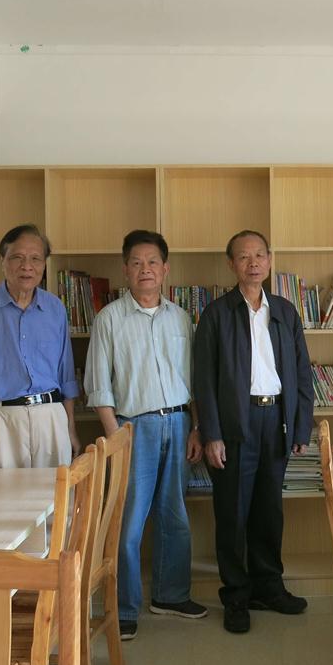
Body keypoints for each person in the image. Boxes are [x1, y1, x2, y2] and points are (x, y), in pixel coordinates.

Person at [84, 230, 206, 642]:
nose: (145, 270)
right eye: (136, 263)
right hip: (133, 427)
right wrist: (117, 437)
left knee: (175, 515)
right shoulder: (109, 319)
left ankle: (171, 595)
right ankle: (123, 608)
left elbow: (192, 379)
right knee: (128, 520)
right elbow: (98, 386)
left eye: (153, 262)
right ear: (125, 270)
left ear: (165, 268)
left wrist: (196, 427)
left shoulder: (181, 318)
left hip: (179, 424)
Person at [194, 230, 314, 634]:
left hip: (276, 420)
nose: (253, 263)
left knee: (268, 510)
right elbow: (203, 381)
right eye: (244, 257)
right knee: (232, 512)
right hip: (234, 423)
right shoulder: (216, 314)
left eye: (260, 255)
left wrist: (301, 426)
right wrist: (211, 434)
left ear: (269, 259)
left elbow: (301, 372)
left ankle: (268, 587)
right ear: (231, 264)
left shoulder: (285, 311)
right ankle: (236, 594)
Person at [0, 224, 80, 469]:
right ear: (2, 261)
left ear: (44, 265)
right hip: (0, 420)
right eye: (17, 258)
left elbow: (66, 378)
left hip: (50, 418)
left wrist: (70, 428)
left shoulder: (55, 309)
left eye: (35, 259)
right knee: (2, 493)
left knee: (55, 492)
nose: (26, 266)